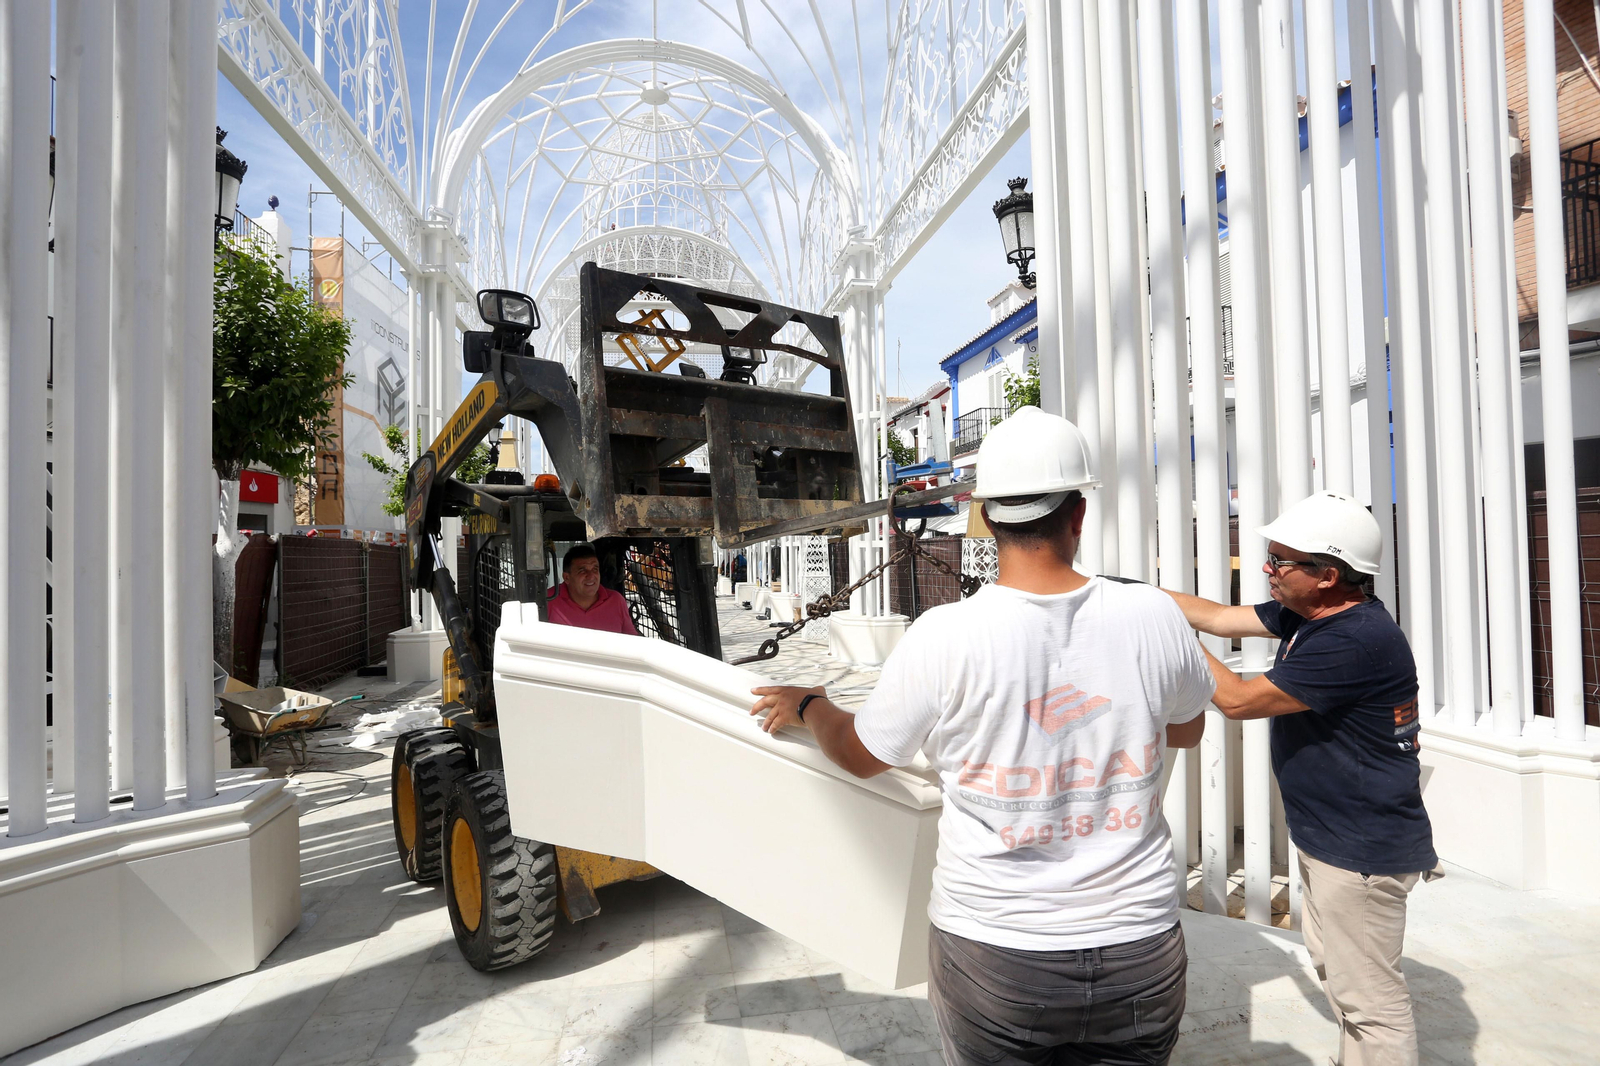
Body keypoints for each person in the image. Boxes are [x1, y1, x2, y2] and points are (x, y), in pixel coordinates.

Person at [750, 406, 1214, 1066]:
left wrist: (809, 705)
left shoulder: (945, 635)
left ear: (987, 517)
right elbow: (1189, 729)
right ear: (1078, 514)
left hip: (998, 955)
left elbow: (861, 755)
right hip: (1139, 948)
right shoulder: (1154, 615)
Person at [1164, 491, 1436, 1066]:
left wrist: (1167, 635)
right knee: (1339, 975)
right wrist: (1136, 596)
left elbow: (1237, 701)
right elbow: (1215, 615)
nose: (1267, 568)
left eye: (1280, 561)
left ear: (1328, 575)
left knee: (1371, 1004)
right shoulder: (1311, 615)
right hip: (1331, 837)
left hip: (1361, 850)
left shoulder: (1352, 641)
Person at [546, 543, 640, 635]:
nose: (591, 576)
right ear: (567, 577)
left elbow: (632, 642)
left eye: (595, 569)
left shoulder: (616, 600)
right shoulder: (547, 600)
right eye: (582, 571)